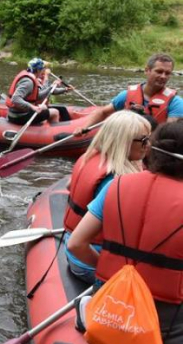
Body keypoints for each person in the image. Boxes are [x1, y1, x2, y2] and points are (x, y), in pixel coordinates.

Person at [68, 121, 183, 344]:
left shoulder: (117, 185)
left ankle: (90, 308)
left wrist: (111, 272)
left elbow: (75, 244)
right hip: (164, 325)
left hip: (110, 301)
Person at [62, 111, 151, 283]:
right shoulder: (115, 182)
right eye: (143, 140)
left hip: (73, 249)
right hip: (89, 261)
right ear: (123, 141)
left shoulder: (90, 157)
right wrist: (106, 271)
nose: (148, 145)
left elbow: (69, 186)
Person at [75, 54, 181, 135]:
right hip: (127, 141)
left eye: (167, 73)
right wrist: (84, 127)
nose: (163, 76)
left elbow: (168, 134)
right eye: (159, 71)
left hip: (152, 145)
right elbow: (102, 112)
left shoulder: (176, 103)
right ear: (147, 70)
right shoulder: (126, 95)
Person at [6, 57, 70, 125]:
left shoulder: (31, 78)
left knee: (45, 107)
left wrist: (51, 87)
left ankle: (44, 127)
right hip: (19, 116)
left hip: (20, 112)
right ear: (38, 70)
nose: (43, 71)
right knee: (55, 112)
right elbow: (15, 99)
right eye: (42, 69)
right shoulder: (28, 82)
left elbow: (37, 96)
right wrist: (32, 107)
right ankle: (54, 133)